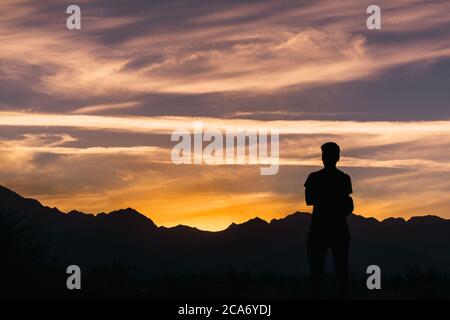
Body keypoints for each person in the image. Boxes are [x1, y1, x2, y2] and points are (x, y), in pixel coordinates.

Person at [304, 142, 353, 299]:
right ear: (338, 157)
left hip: (320, 230)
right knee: (340, 272)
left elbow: (310, 199)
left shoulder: (315, 178)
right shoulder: (343, 179)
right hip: (336, 230)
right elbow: (348, 204)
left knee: (319, 274)